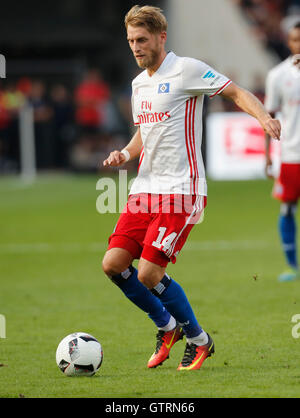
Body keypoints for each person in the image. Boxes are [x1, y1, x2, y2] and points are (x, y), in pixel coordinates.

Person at [102, 5, 281, 371]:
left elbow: (236, 92)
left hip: (183, 190)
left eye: (142, 40)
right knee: (114, 264)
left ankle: (199, 340)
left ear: (161, 37)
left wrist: (262, 116)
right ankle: (167, 327)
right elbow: (145, 131)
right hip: (144, 190)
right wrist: (125, 152)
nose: (135, 47)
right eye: (131, 41)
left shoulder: (187, 70)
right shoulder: (139, 84)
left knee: (149, 274)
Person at [265, 21, 300, 282]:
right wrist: (267, 155)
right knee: (287, 208)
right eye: (295, 40)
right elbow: (270, 117)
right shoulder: (278, 75)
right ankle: (291, 265)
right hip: (291, 154)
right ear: (289, 42)